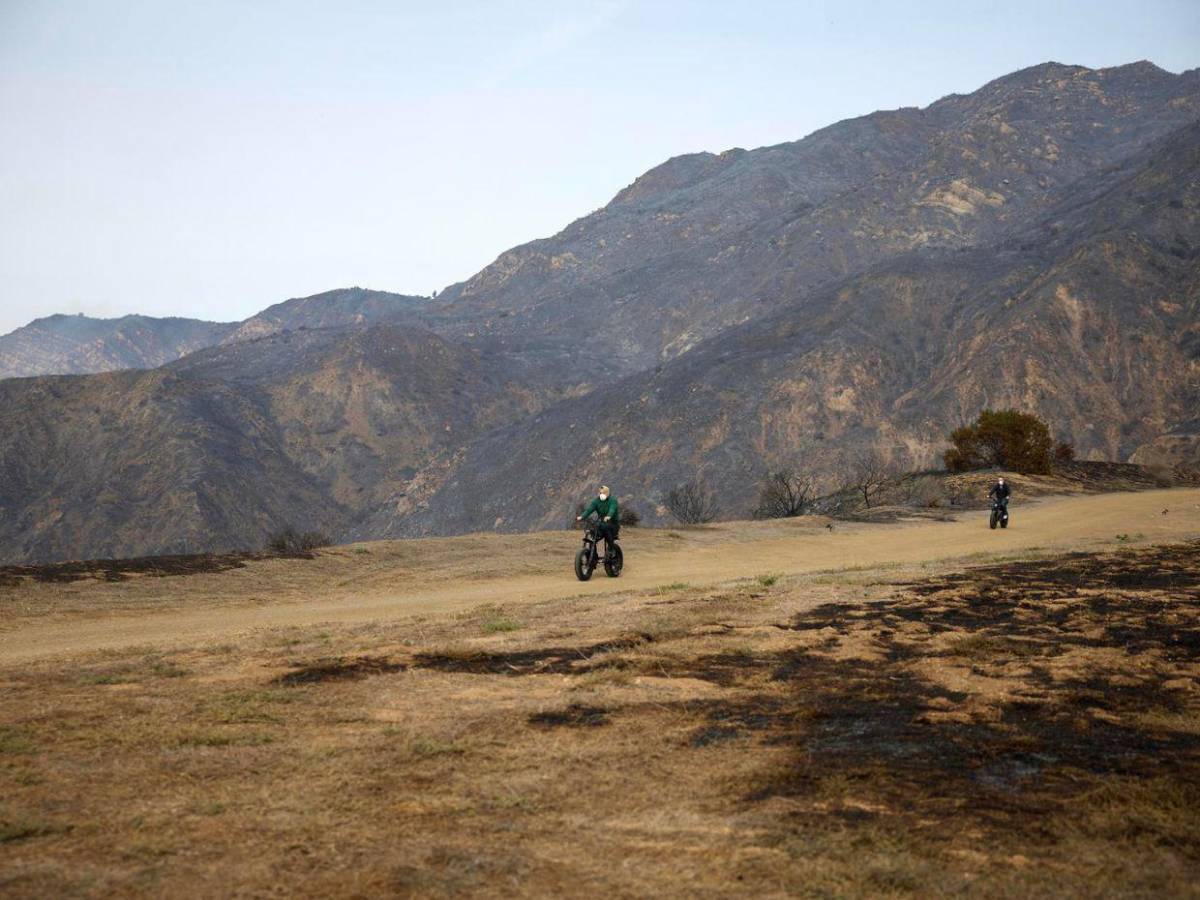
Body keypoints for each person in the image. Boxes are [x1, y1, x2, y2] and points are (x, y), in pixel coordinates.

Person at [577, 485, 620, 558]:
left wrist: (609, 516)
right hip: (603, 523)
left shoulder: (613, 500)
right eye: (600, 493)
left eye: (603, 493)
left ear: (608, 493)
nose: (601, 494)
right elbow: (589, 510)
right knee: (593, 535)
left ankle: (611, 549)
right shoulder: (596, 501)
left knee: (607, 530)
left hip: (613, 524)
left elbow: (612, 509)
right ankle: (593, 556)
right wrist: (582, 517)